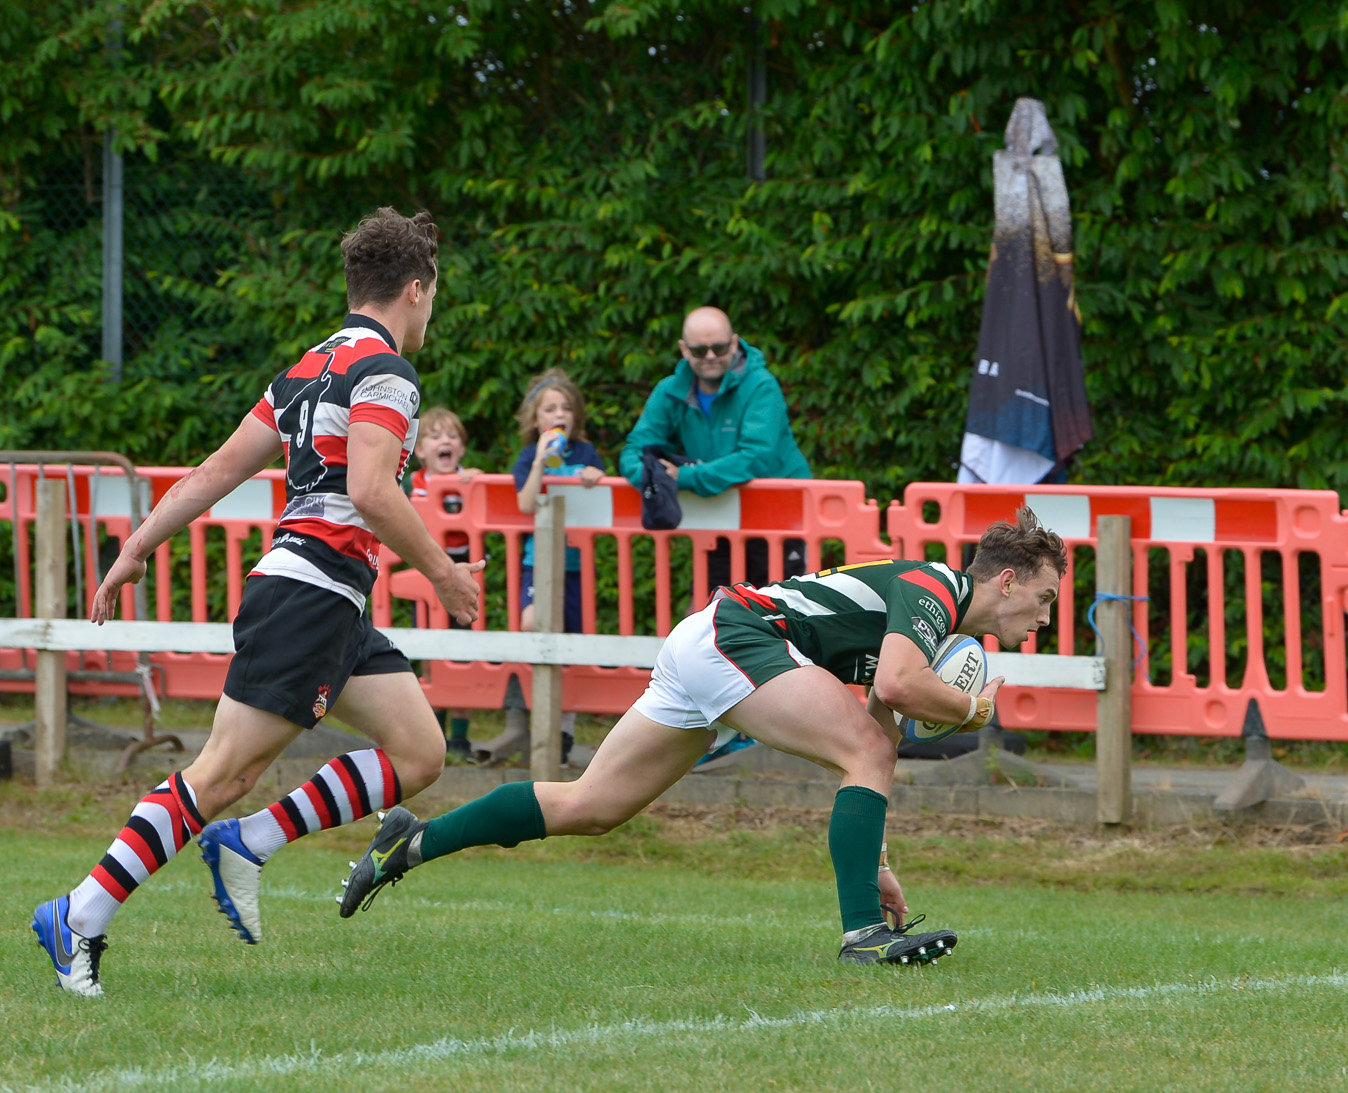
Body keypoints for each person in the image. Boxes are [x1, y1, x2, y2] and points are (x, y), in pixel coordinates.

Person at [31, 208, 482, 995]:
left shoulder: (308, 368)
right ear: (416, 289)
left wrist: (136, 547)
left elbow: (215, 469)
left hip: (330, 601)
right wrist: (444, 573)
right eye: (433, 296)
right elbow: (371, 491)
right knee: (221, 773)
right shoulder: (386, 374)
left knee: (419, 752)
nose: (431, 312)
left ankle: (251, 841)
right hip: (307, 596)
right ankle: (80, 913)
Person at [336, 510, 1070, 966]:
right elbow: (899, 691)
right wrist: (971, 710)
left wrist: (873, 861)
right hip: (736, 635)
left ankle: (413, 840)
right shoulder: (933, 587)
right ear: (1006, 581)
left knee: (592, 805)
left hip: (711, 640)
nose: (1043, 618)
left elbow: (876, 724)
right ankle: (860, 939)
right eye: (1043, 598)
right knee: (869, 749)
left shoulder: (929, 617)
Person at [619, 306, 811, 586]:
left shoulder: (761, 386)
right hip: (722, 513)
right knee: (711, 611)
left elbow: (757, 458)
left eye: (719, 348)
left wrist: (684, 477)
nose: (710, 356)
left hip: (781, 515)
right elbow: (634, 449)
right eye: (699, 350)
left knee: (781, 613)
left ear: (734, 342)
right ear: (684, 350)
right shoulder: (670, 389)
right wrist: (652, 476)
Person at [512, 369, 605, 767]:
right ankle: (535, 717)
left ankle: (563, 733)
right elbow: (525, 504)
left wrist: (594, 477)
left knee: (569, 646)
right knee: (533, 624)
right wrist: (539, 461)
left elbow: (603, 497)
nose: (559, 413)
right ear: (536, 419)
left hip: (575, 566)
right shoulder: (528, 455)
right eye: (550, 408)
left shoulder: (585, 453)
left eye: (566, 407)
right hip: (539, 563)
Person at [413, 406, 478, 758]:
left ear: (462, 448)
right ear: (420, 450)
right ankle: (434, 733)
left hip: (463, 577)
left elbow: (485, 500)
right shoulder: (418, 484)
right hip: (426, 580)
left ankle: (461, 738)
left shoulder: (469, 480)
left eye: (452, 436)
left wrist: (474, 482)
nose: (445, 442)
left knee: (463, 656)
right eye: (436, 436)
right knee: (430, 659)